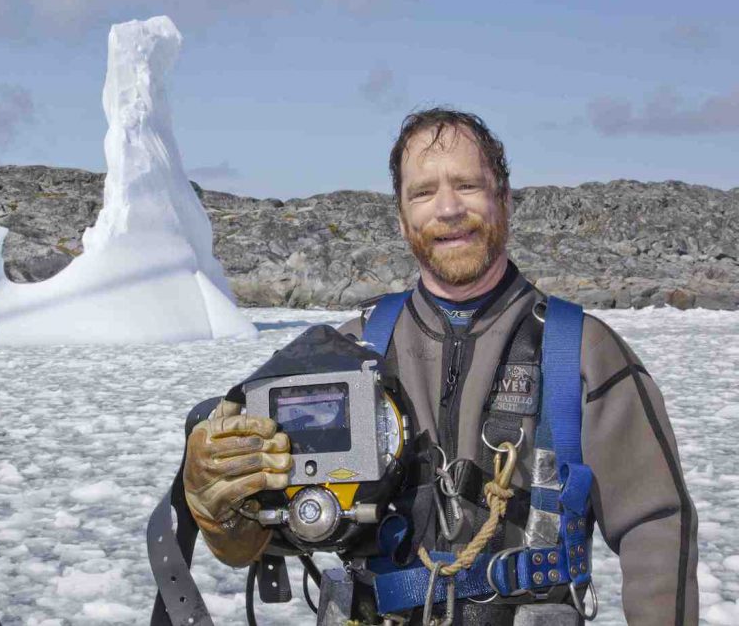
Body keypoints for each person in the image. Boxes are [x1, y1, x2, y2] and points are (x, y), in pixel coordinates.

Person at [183, 108, 698, 625]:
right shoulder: (344, 357)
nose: (448, 209)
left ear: (504, 199)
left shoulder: (581, 352)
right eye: (424, 192)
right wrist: (221, 511)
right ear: (403, 218)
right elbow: (269, 537)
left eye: (468, 185)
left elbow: (657, 526)